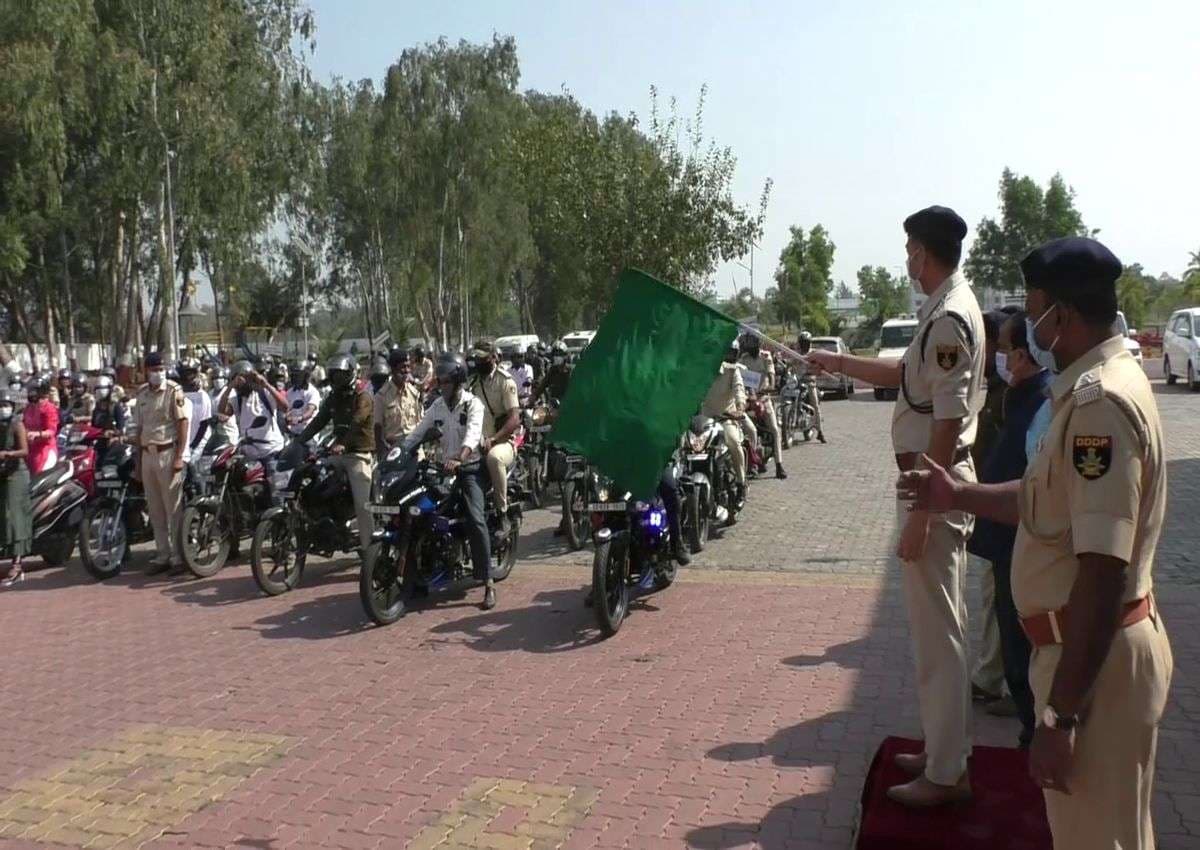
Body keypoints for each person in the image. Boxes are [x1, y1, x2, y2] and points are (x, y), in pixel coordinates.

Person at [898, 236, 1172, 849]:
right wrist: (958, 496)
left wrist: (1059, 715)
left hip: (1092, 667)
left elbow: (1104, 568)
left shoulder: (1100, 405)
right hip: (1083, 656)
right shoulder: (1086, 388)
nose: (1025, 317)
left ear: (1063, 316)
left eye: (1033, 303)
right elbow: (1048, 499)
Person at [808, 205, 984, 807]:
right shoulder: (940, 312)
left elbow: (947, 421)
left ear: (924, 254)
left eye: (910, 249)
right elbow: (902, 376)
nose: (906, 259)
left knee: (941, 639)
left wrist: (922, 517)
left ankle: (946, 773)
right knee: (937, 634)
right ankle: (942, 751)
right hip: (925, 486)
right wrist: (837, 363)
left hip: (933, 488)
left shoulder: (949, 320)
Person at [966, 309, 1051, 749]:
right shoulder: (1017, 396)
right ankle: (1027, 730)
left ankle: (1035, 735)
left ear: (1021, 355)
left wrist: (958, 496)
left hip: (1023, 543)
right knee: (1011, 641)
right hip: (1004, 542)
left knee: (1021, 644)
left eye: (1001, 350)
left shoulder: (1043, 404)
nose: (997, 358)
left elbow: (1035, 485)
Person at [402, 353, 495, 610]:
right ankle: (419, 575)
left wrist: (461, 458)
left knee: (475, 518)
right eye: (439, 380)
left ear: (457, 380)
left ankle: (487, 581)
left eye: (444, 380)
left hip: (470, 468)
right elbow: (418, 432)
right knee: (418, 511)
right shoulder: (437, 406)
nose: (440, 384)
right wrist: (399, 450)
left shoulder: (472, 404)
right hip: (442, 470)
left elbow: (474, 434)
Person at [968, 308, 1016, 711]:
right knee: (994, 598)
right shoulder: (1000, 393)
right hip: (994, 511)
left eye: (993, 346)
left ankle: (995, 679)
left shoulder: (1014, 398)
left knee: (999, 600)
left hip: (1008, 517)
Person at [296, 354, 376, 553]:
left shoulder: (362, 395)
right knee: (314, 483)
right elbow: (318, 421)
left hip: (358, 454)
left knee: (362, 504)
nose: (337, 379)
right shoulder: (333, 397)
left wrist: (342, 443)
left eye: (341, 375)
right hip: (336, 453)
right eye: (335, 375)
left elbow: (357, 421)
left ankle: (371, 550)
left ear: (350, 374)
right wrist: (297, 441)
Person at [132, 352, 189, 574]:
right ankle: (162, 554)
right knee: (155, 508)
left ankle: (178, 556)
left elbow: (182, 422)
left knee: (173, 508)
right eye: (154, 369)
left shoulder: (173, 391)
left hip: (168, 452)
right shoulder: (142, 394)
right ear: (147, 370)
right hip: (147, 454)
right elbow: (138, 429)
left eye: (161, 368)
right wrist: (137, 462)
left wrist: (179, 456)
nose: (158, 372)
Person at [466, 341, 521, 533]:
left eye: (482, 358)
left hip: (503, 442)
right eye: (476, 358)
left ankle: (502, 514)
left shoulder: (505, 381)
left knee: (494, 458)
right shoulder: (473, 384)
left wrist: (494, 440)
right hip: (479, 442)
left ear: (492, 357)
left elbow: (514, 419)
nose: (479, 362)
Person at [218, 361, 287, 504]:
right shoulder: (237, 399)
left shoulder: (264, 393)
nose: (241, 383)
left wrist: (266, 384)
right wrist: (230, 386)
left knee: (276, 495)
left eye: (244, 378)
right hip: (249, 454)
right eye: (237, 380)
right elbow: (222, 410)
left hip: (270, 451)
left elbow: (285, 406)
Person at [701, 340, 749, 503]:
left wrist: (740, 409)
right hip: (704, 419)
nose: (729, 357)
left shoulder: (733, 372)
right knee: (686, 445)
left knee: (734, 442)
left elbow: (739, 391)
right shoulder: (704, 369)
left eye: (732, 354)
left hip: (725, 418)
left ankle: (741, 482)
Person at [739, 332, 787, 480]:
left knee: (774, 430)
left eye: (751, 345)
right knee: (746, 431)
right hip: (748, 400)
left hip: (764, 399)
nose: (749, 349)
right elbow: (740, 379)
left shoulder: (766, 357)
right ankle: (752, 464)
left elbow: (771, 376)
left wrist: (771, 386)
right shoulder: (743, 360)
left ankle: (779, 465)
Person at [0, 389, 31, 587]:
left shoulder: (17, 424)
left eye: (6, 405)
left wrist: (7, 454)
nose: (3, 409)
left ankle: (18, 563)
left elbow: (24, 451)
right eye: (1, 405)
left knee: (15, 517)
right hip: (2, 474)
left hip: (17, 474)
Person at [373, 348, 423, 459]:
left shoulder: (414, 392)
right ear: (393, 369)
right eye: (403, 367)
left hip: (415, 449)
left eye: (408, 367)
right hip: (393, 451)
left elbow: (420, 422)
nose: (406, 371)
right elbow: (378, 428)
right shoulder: (381, 396)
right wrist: (382, 453)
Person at [177, 358, 213, 463]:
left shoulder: (203, 396)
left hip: (199, 442)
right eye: (186, 373)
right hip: (182, 443)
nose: (188, 376)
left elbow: (204, 423)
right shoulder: (178, 395)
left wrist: (194, 445)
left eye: (191, 372)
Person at [22, 377, 60, 475]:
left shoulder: (48, 408)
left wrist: (37, 434)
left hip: (45, 451)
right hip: (31, 452)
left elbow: (51, 431)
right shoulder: (28, 407)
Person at [793, 332, 827, 443]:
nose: (804, 345)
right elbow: (790, 363)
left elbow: (819, 366)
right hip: (797, 382)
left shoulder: (814, 354)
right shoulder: (796, 354)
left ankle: (820, 432)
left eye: (806, 343)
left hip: (810, 382)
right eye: (802, 343)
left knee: (815, 405)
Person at [90, 375, 128, 459]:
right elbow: (93, 428)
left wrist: (112, 434)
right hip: (99, 443)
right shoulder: (97, 408)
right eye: (98, 388)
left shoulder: (115, 407)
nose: (100, 391)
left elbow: (121, 429)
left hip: (113, 444)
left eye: (102, 388)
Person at [285, 362, 322, 441]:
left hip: (308, 434)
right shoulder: (289, 392)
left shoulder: (312, 392)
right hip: (292, 433)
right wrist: (286, 417)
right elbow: (287, 409)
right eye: (293, 375)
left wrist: (299, 419)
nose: (294, 377)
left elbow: (310, 411)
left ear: (306, 376)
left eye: (298, 375)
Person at [208, 367, 239, 446]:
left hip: (229, 432)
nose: (217, 380)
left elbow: (228, 413)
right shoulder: (210, 393)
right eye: (215, 378)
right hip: (215, 433)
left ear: (225, 379)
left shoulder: (230, 392)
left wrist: (218, 418)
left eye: (220, 378)